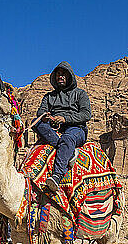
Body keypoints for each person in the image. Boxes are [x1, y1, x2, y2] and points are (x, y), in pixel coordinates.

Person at [35, 61, 91, 192]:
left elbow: (86, 114)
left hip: (76, 129)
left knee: (68, 138)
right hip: (55, 128)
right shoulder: (49, 97)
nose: (60, 77)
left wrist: (65, 119)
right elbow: (41, 111)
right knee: (36, 123)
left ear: (69, 76)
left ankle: (57, 175)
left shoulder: (80, 94)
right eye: (58, 74)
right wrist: (46, 117)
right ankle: (67, 150)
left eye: (63, 74)